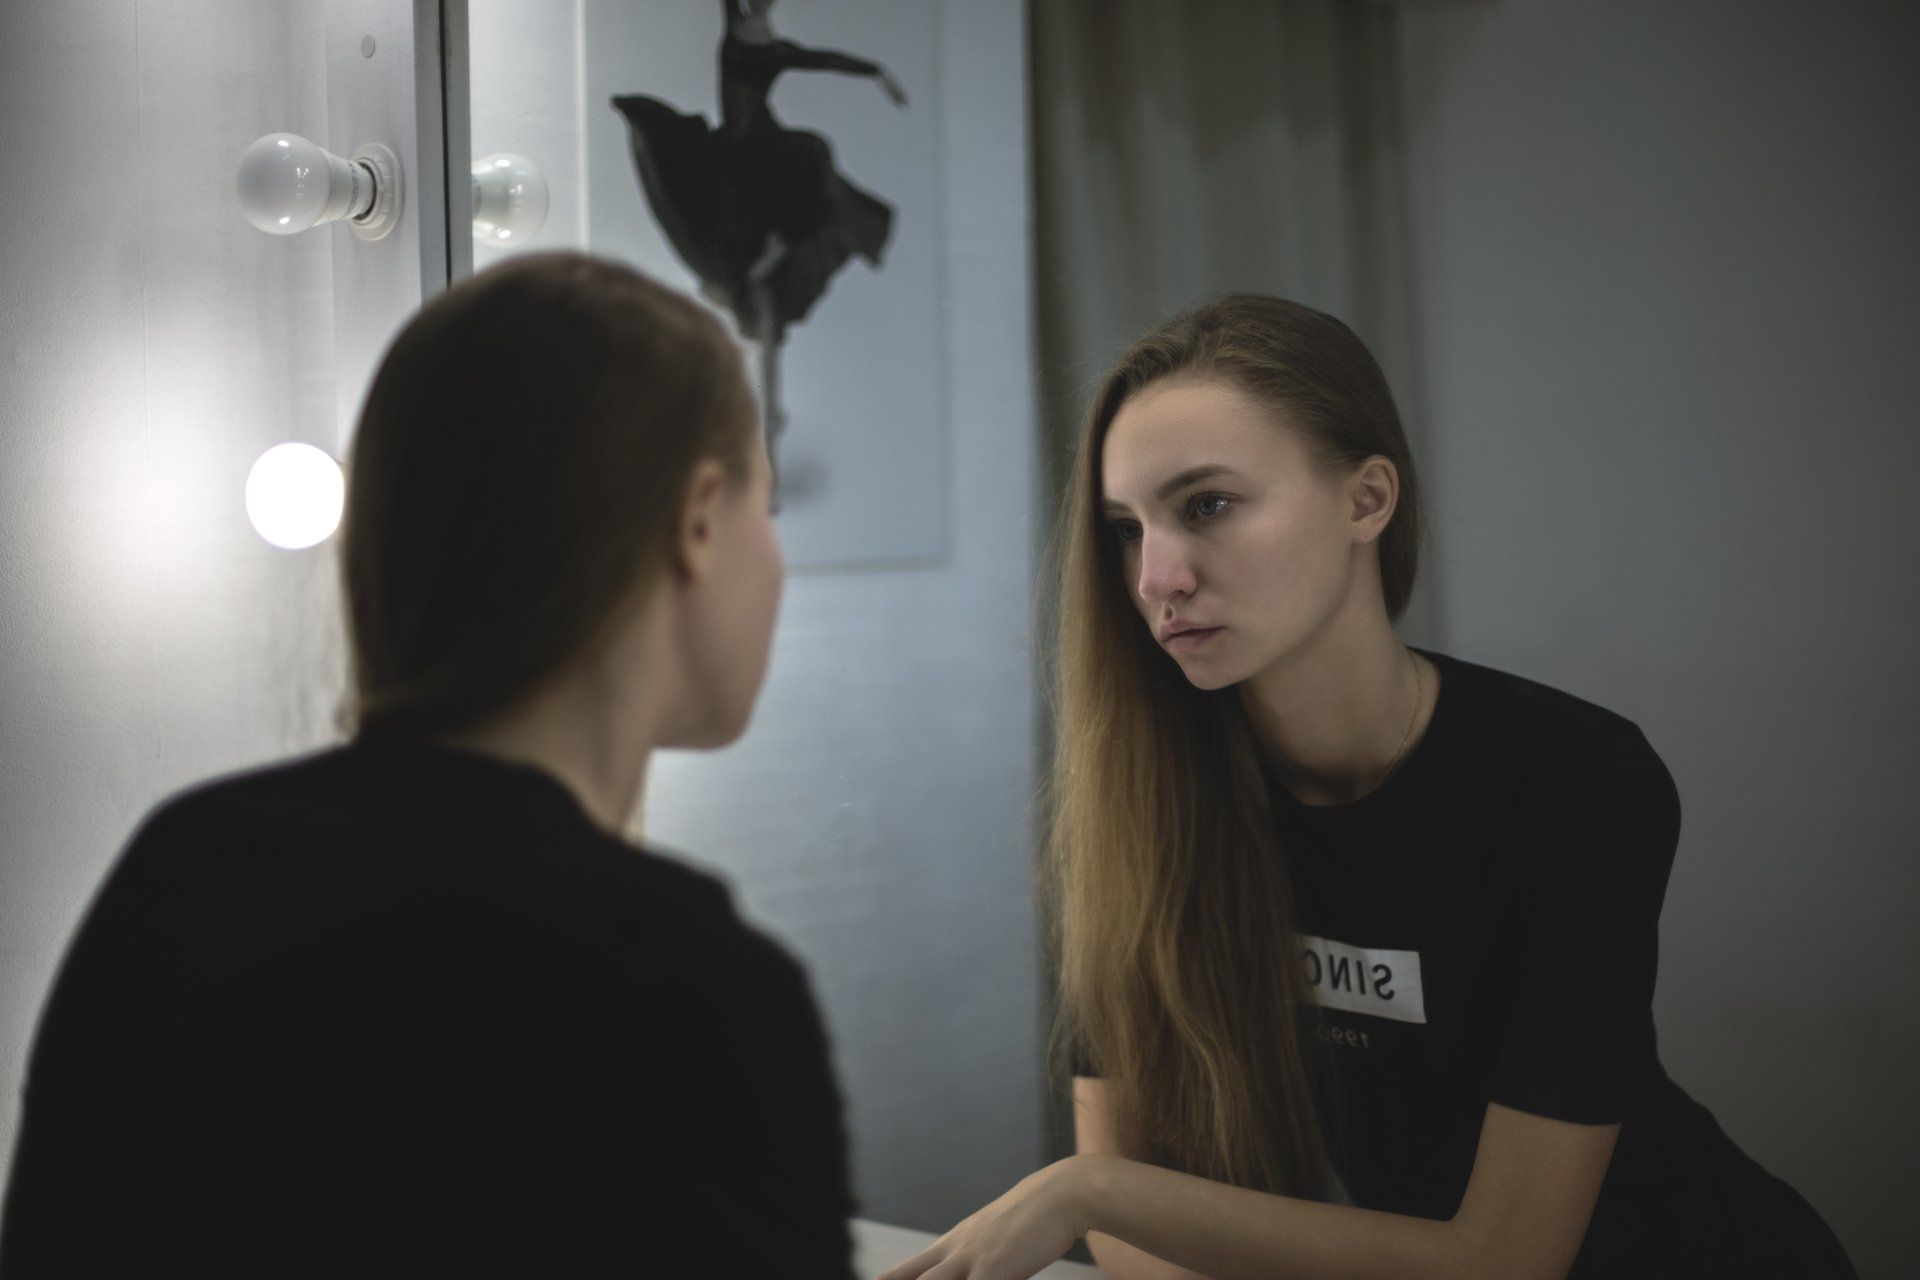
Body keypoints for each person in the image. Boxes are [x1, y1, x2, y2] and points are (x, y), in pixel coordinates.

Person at [881, 295, 1857, 1280]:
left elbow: (1504, 1259)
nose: (1156, 576)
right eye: (1127, 528)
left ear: (1366, 499)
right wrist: (1106, 1195)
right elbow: (1140, 1246)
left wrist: (1085, 1188)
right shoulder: (1144, 806)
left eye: (1207, 504)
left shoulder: (1577, 782)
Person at [0, 252, 858, 1277]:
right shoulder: (692, 983)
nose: (776, 558)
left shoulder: (183, 864)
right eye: (767, 504)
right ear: (701, 518)